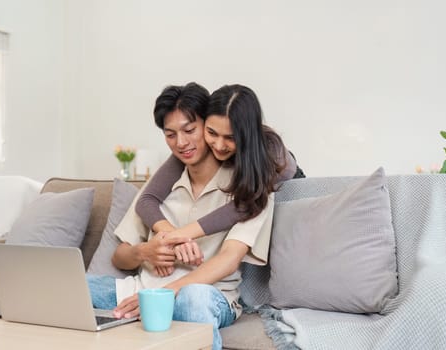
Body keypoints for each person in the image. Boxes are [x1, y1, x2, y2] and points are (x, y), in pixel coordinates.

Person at [87, 82, 273, 350]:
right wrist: (145, 252)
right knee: (69, 286)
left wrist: (163, 295)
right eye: (170, 134)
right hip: (141, 290)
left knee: (193, 298)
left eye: (189, 130)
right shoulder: (159, 189)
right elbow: (120, 256)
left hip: (207, 295)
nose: (181, 142)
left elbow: (229, 259)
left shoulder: (251, 186)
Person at [135, 84, 305, 249]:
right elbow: (147, 200)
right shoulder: (192, 145)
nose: (218, 145)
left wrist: (180, 236)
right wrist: (174, 237)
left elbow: (244, 205)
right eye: (211, 133)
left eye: (230, 138)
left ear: (246, 135)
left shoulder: (269, 150)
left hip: (289, 193)